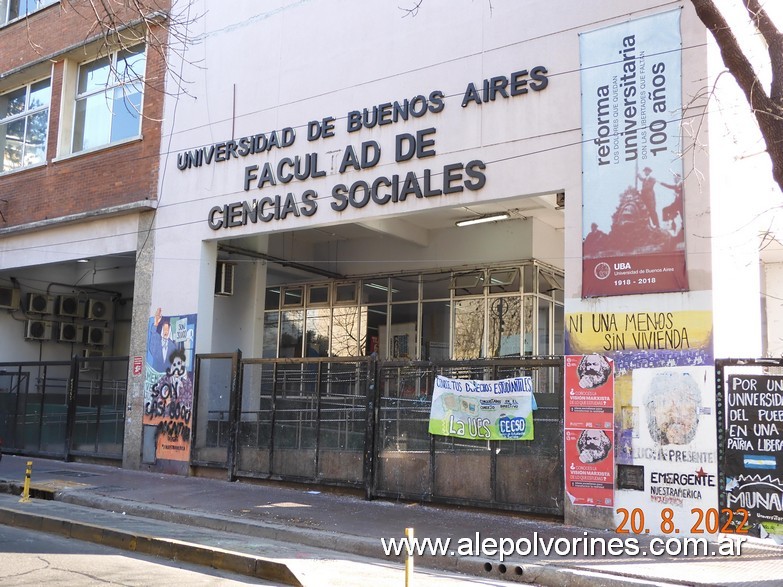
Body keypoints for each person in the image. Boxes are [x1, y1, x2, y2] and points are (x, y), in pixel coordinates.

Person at [147, 308, 179, 373]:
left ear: (170, 331)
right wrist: (156, 323)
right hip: (156, 374)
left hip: (168, 375)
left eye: (167, 330)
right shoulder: (157, 340)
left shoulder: (172, 346)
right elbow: (151, 346)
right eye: (164, 329)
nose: (165, 332)